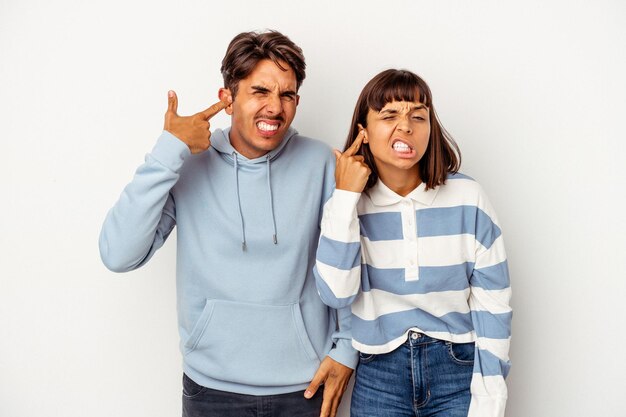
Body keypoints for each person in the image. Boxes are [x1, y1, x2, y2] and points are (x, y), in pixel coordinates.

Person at [99, 30, 356, 417]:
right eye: (260, 92)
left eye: (287, 95)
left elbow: (349, 261)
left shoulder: (322, 163)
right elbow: (118, 254)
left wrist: (347, 350)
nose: (275, 108)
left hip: (304, 390)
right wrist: (168, 149)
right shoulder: (186, 165)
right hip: (211, 390)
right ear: (227, 99)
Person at [313, 69, 511, 417]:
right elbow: (335, 293)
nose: (405, 126)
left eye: (418, 116)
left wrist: (490, 399)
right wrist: (345, 196)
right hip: (379, 375)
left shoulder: (468, 197)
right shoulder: (346, 204)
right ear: (364, 130)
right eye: (389, 115)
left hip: (457, 371)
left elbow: (494, 306)